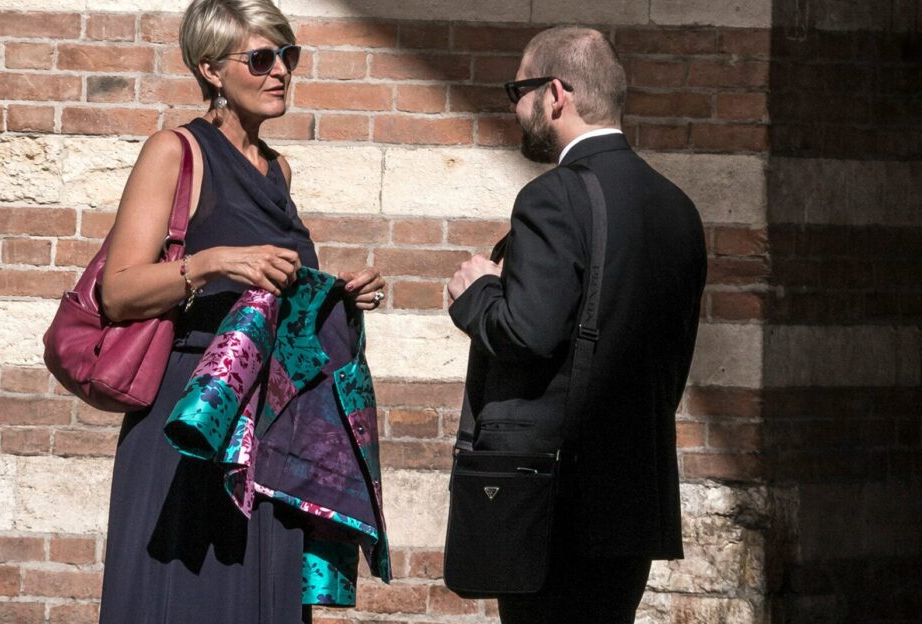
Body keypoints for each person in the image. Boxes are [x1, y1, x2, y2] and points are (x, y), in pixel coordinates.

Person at [94, 0, 388, 622]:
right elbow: (118, 291)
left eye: (288, 55)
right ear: (211, 69)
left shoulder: (279, 169)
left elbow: (275, 297)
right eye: (260, 58)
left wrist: (337, 294)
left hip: (271, 428)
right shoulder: (175, 152)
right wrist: (213, 261)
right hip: (193, 419)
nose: (280, 70)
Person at [445, 26, 707, 624]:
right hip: (635, 493)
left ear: (555, 93)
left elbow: (526, 333)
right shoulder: (678, 208)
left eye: (519, 88)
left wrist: (476, 291)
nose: (515, 106)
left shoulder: (552, 197)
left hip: (551, 496)